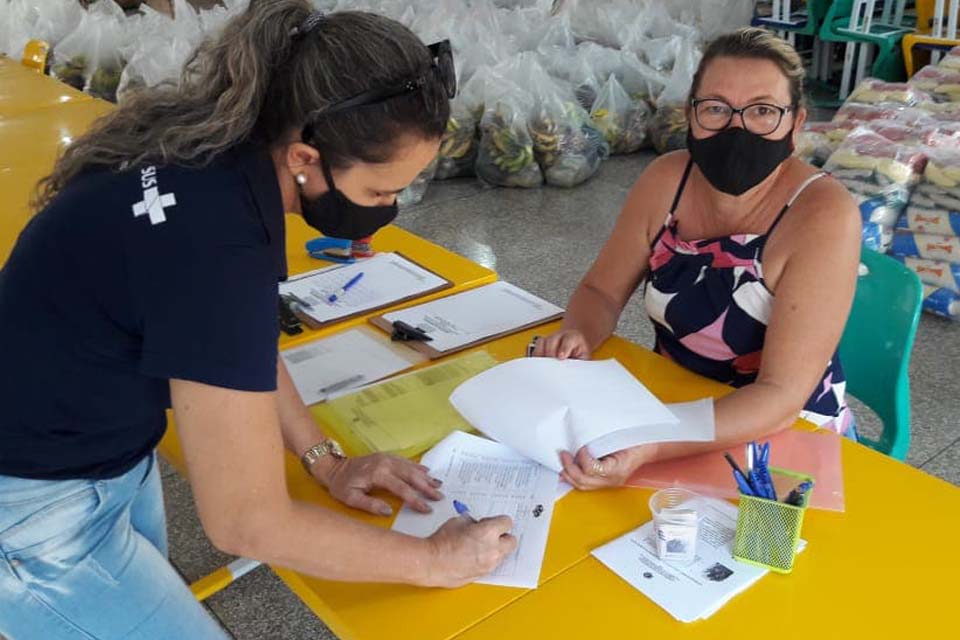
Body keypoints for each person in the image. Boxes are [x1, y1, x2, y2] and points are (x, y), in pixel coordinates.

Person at [0, 3, 516, 638]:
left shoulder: (211, 154)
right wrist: (436, 559)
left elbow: (236, 348)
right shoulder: (219, 246)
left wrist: (326, 462)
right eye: (381, 192)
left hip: (93, 455)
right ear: (305, 155)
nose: (390, 208)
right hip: (30, 510)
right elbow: (246, 522)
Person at [535, 28, 862, 491]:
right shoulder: (668, 178)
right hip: (672, 402)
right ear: (691, 115)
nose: (736, 127)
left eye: (763, 111)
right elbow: (600, 291)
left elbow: (781, 396)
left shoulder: (824, 213)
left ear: (797, 122)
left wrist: (650, 440)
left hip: (778, 439)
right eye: (716, 109)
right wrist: (577, 335)